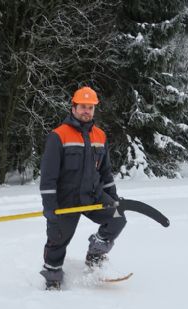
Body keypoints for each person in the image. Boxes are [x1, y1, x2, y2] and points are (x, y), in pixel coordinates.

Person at [39, 86, 127, 290]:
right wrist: (50, 209)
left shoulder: (100, 136)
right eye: (83, 107)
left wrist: (113, 198)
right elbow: (48, 178)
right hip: (65, 200)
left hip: (92, 196)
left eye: (91, 107)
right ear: (73, 107)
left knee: (117, 217)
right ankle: (52, 276)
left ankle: (95, 255)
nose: (87, 111)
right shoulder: (58, 136)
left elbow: (106, 172)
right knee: (57, 240)